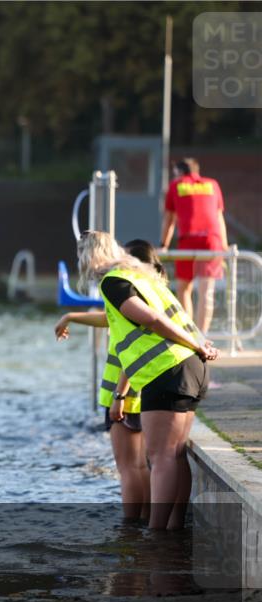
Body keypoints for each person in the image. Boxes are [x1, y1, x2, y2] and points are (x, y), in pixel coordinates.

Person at [77, 231, 217, 530]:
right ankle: (174, 527)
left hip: (166, 370)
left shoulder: (113, 281)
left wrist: (196, 345)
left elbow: (150, 320)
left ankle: (156, 534)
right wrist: (198, 345)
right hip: (191, 368)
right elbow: (168, 316)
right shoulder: (145, 278)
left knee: (161, 457)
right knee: (176, 455)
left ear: (90, 258)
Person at [55, 239, 165, 521]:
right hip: (143, 386)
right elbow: (109, 319)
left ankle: (130, 530)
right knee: (140, 465)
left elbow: (132, 343)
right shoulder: (149, 289)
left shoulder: (119, 284)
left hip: (123, 389)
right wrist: (71, 317)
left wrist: (119, 395)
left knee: (129, 467)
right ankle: (144, 524)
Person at [160, 157, 229, 334]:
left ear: (179, 172)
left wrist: (163, 245)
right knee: (207, 292)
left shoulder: (176, 185)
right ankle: (202, 336)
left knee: (184, 288)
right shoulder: (212, 184)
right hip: (212, 240)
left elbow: (169, 220)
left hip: (188, 240)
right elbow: (219, 217)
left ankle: (188, 333)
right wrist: (225, 245)